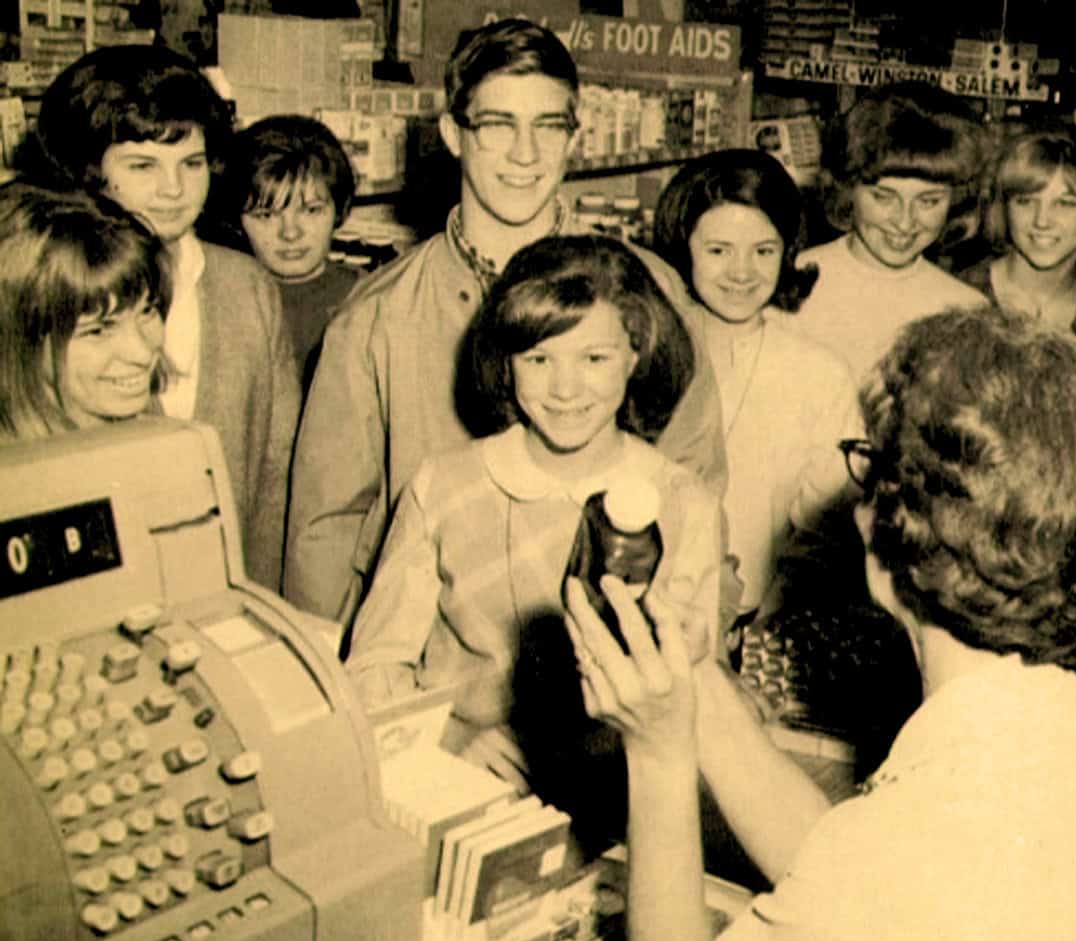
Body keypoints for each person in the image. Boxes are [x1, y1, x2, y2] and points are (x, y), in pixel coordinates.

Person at [565, 305, 1076, 941]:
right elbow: (846, 878)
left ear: (882, 533)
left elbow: (874, 877)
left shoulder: (891, 855)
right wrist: (697, 676)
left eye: (868, 464)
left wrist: (657, 755)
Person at [285, 18, 727, 633]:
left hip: (614, 657)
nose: (526, 154)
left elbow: (697, 485)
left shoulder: (648, 293)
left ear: (575, 136)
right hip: (435, 667)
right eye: (498, 125)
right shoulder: (377, 318)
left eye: (548, 126)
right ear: (452, 134)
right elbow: (325, 534)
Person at [345, 234, 730, 811]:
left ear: (637, 353)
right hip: (456, 793)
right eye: (539, 359)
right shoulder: (442, 485)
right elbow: (372, 669)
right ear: (506, 362)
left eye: (594, 359)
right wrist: (448, 743)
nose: (565, 389)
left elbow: (691, 698)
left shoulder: (683, 504)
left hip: (619, 805)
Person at [24, 44, 301, 591]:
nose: (174, 190)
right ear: (87, 173)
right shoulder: (44, 295)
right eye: (143, 166)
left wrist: (258, 601)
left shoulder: (247, 286)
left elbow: (277, 473)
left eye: (191, 164)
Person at [652, 148, 860, 620]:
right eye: (718, 250)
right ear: (683, 246)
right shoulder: (648, 356)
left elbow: (827, 533)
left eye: (763, 251)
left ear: (788, 251)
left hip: (763, 617)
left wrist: (768, 619)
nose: (742, 272)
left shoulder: (818, 374)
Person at [793, 82, 987, 383]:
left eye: (928, 201)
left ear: (956, 200)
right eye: (884, 197)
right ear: (848, 190)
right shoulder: (792, 283)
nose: (904, 222)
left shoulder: (967, 311)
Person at [959, 121, 1076, 415]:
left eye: (1065, 204)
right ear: (1003, 208)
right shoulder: (958, 302)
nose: (1042, 221)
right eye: (1025, 201)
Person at [0, 182, 170, 439]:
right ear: (17, 340)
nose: (142, 353)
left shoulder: (154, 426)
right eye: (97, 330)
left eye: (147, 311)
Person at [212, 114, 362, 398]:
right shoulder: (225, 303)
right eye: (266, 215)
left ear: (338, 209)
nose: (290, 233)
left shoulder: (370, 299)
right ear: (237, 221)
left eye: (311, 210)